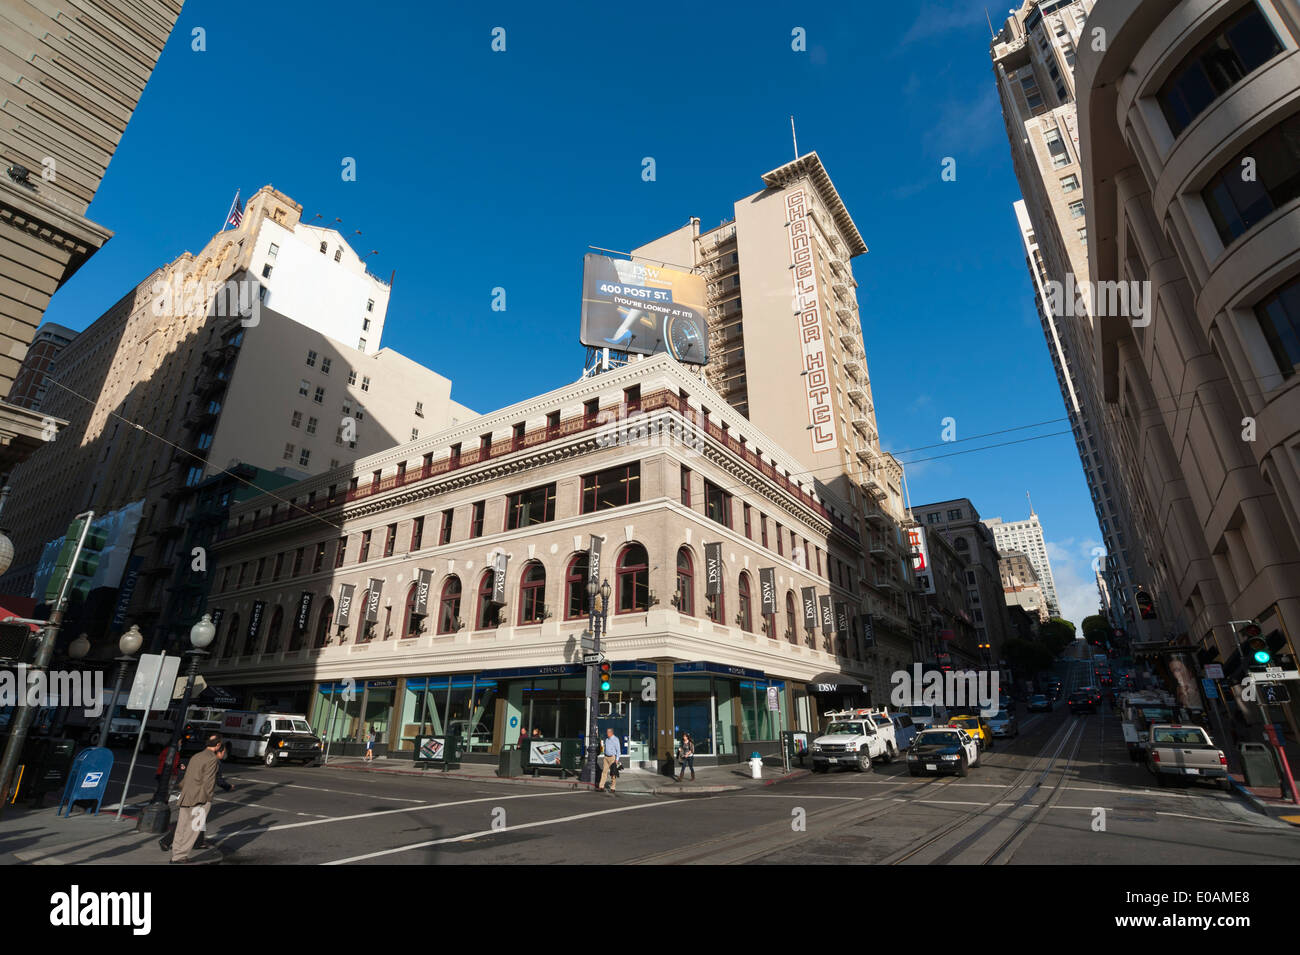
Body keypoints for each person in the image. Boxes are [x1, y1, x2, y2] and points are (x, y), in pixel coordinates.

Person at [171, 732, 223, 864]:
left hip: (187, 795)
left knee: (181, 826)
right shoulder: (212, 759)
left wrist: (181, 788)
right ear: (217, 745)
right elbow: (208, 781)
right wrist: (208, 799)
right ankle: (180, 856)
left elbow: (187, 775)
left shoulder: (196, 756)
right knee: (193, 828)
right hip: (199, 797)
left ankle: (176, 854)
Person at [598, 728, 620, 795]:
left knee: (613, 773)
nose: (607, 733)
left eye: (607, 732)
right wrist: (604, 753)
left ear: (611, 733)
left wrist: (617, 759)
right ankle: (601, 786)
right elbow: (604, 748)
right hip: (606, 757)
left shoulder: (616, 739)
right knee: (604, 772)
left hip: (612, 758)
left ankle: (613, 788)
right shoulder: (607, 740)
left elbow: (618, 750)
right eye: (607, 732)